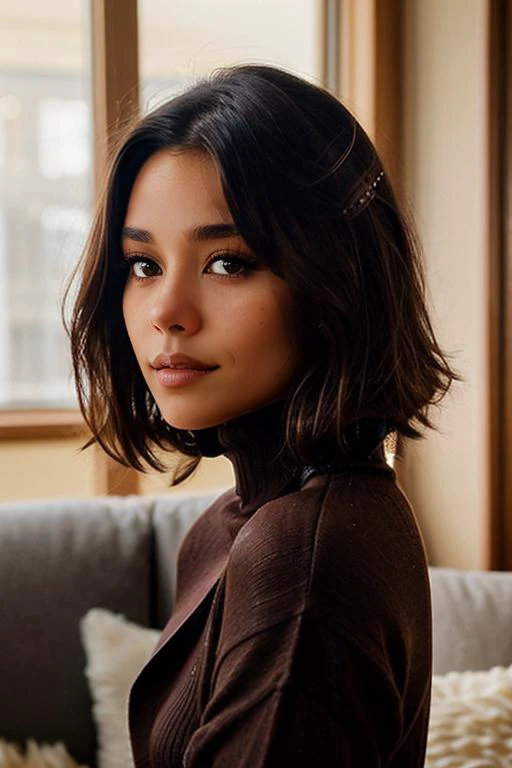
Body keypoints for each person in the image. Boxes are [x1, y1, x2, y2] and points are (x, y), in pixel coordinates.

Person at [64, 63, 463, 766]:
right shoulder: (238, 521)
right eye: (143, 264)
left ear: (334, 280)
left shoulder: (305, 559)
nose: (166, 313)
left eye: (228, 262)